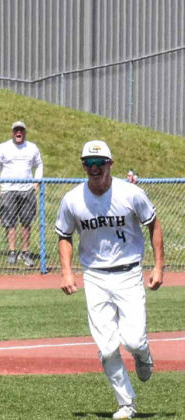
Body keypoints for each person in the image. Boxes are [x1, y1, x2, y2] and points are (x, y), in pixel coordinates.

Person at [55, 140, 163, 419]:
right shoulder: (73, 199)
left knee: (135, 340)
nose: (93, 168)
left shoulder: (130, 193)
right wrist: (67, 271)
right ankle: (126, 403)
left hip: (128, 273)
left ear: (110, 164)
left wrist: (159, 266)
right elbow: (64, 235)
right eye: (88, 163)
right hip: (95, 276)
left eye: (99, 163)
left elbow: (153, 222)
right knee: (106, 348)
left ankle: (143, 355)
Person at [0, 121, 44, 267]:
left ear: (24, 132)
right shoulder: (3, 148)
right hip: (8, 190)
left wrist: (37, 182)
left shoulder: (32, 148)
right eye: (16, 130)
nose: (18, 133)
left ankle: (25, 252)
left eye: (21, 130)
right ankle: (12, 251)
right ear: (12, 132)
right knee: (9, 222)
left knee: (26, 222)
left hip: (26, 190)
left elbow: (39, 165)